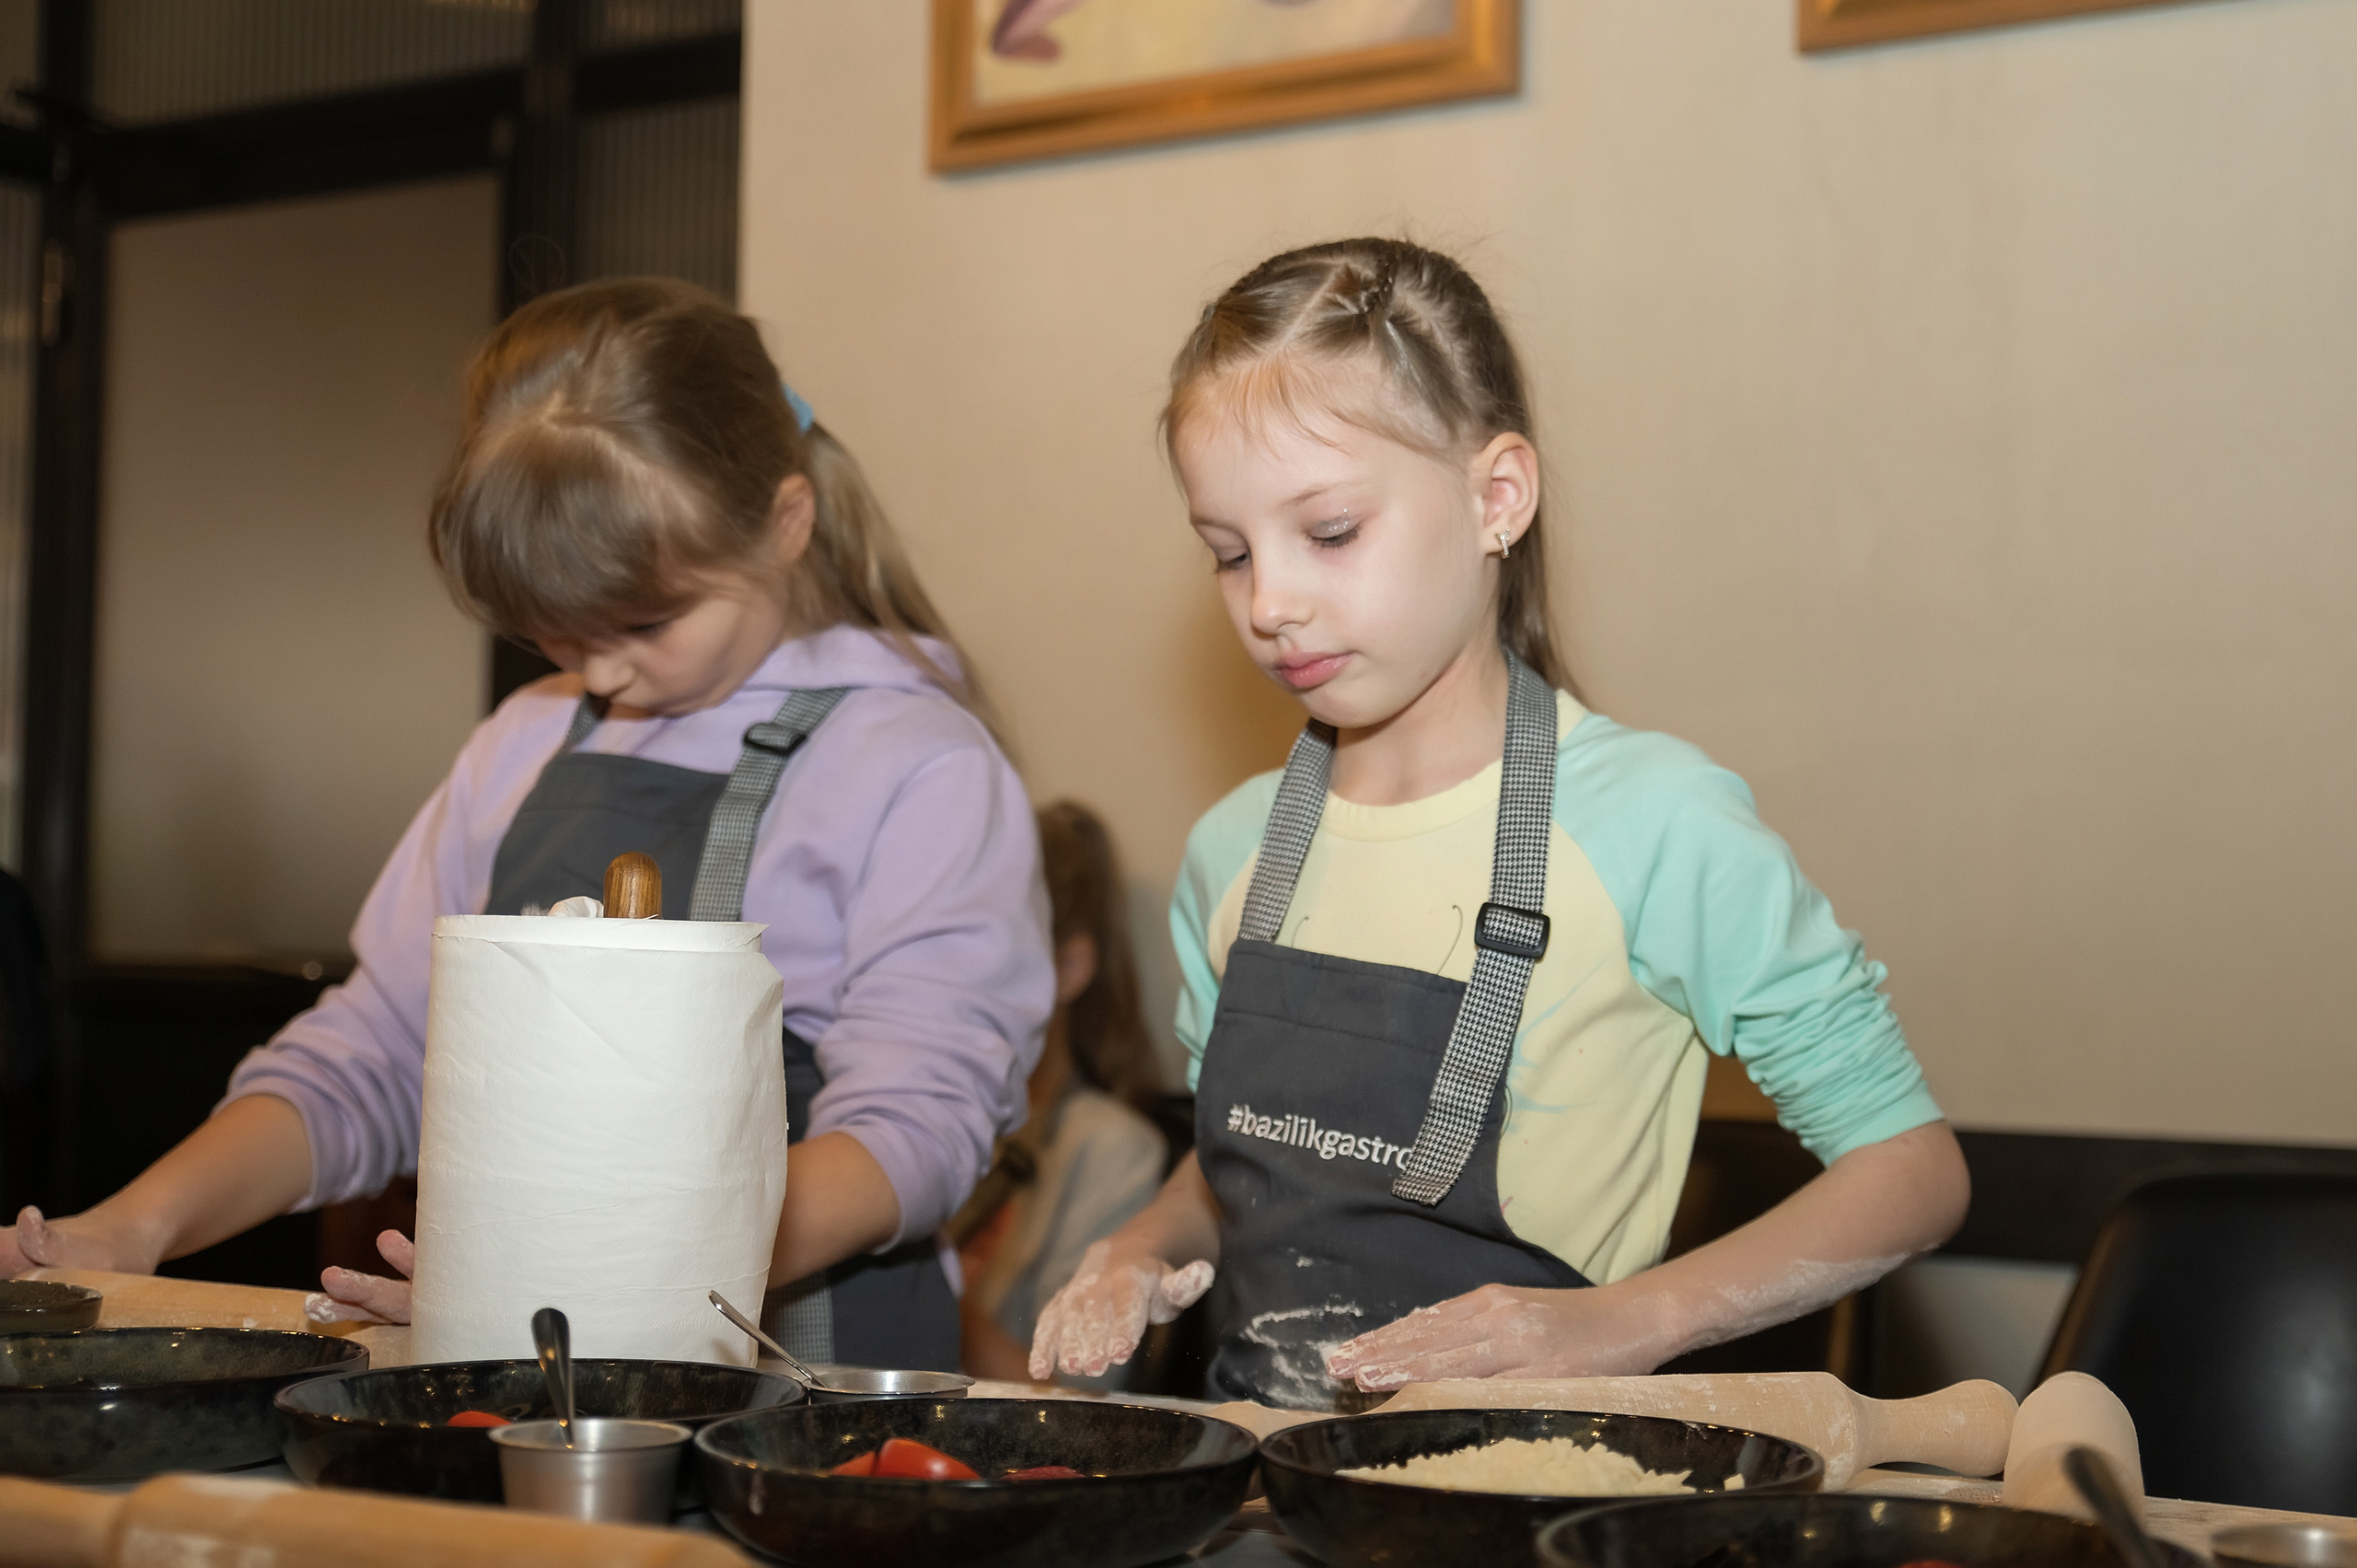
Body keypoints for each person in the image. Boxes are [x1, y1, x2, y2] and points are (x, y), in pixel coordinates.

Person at [2, 279, 1051, 1373]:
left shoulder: (914, 762)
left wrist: (601, 1271)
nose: (602, 674)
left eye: (647, 621)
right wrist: (130, 1227)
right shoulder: (524, 740)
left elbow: (916, 1125)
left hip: (807, 1393)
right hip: (524, 1365)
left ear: (787, 521)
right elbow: (378, 1047)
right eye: (558, 632)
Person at [1028, 238, 1970, 1409]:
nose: (1269, 602)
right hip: (1266, 1478)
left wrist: (1624, 1321)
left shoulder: (1654, 826)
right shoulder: (1233, 851)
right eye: (1228, 553)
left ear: (1496, 497)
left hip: (1533, 1483)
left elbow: (1912, 1170)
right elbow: (1239, 1172)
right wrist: (1135, 1247)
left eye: (1329, 531)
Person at [953, 801, 1167, 1388]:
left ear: (1069, 967)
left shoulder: (1111, 1149)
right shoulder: (941, 1117)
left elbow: (1077, 1397)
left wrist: (918, 1285)